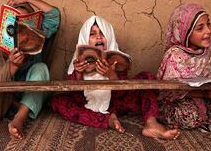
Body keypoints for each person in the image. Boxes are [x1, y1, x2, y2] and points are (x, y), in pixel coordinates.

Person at [51, 16, 179, 139]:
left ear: (109, 36)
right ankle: (108, 120)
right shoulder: (78, 61)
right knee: (58, 101)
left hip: (117, 102)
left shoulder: (116, 57)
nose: (98, 36)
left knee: (147, 77)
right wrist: (78, 72)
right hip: (88, 102)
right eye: (92, 34)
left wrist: (111, 75)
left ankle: (151, 123)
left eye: (102, 33)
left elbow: (122, 92)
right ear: (84, 39)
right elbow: (75, 92)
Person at [0, 0, 61, 139]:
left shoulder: (37, 38)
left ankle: (20, 118)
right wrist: (11, 66)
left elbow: (54, 16)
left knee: (41, 68)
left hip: (28, 95)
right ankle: (19, 108)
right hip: (6, 100)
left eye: (25, 25)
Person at [157, 3, 211, 132]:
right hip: (177, 101)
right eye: (200, 28)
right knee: (189, 115)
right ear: (185, 33)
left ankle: (205, 119)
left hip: (204, 98)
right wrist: (204, 93)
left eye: (208, 24)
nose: (208, 31)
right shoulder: (175, 55)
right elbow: (169, 91)